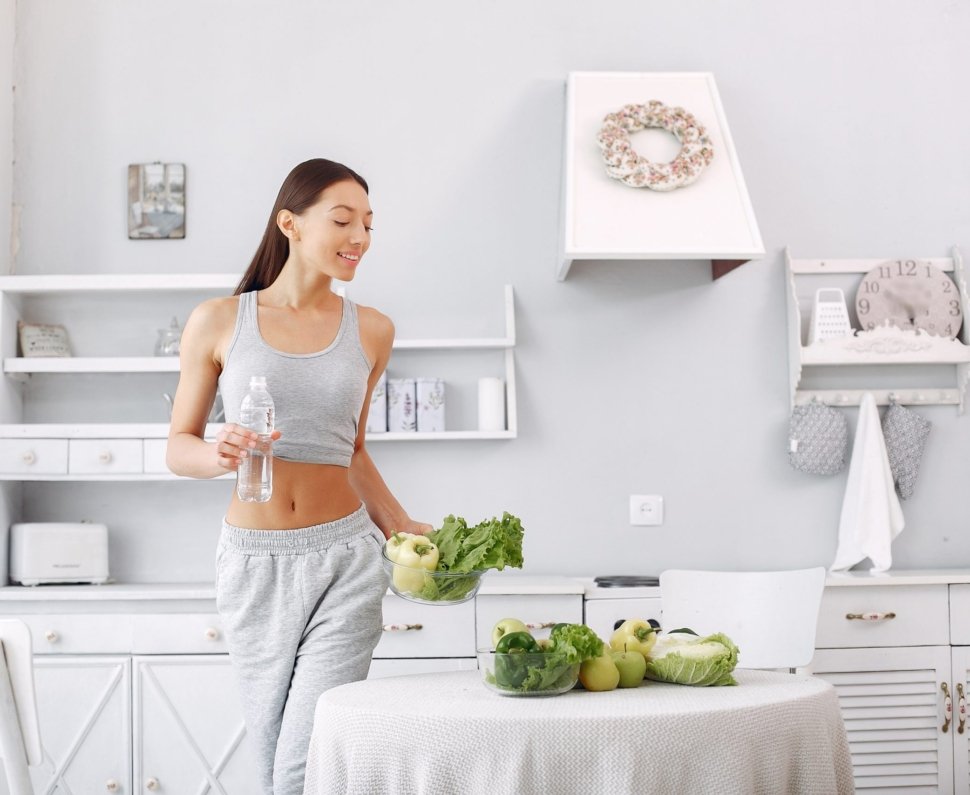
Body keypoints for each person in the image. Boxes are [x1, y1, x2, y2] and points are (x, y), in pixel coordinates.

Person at [166, 158, 432, 794]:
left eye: (368, 224)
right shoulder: (220, 320)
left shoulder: (372, 329)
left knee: (306, 759)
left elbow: (355, 451)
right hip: (254, 564)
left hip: (347, 559)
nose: (360, 238)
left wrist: (401, 527)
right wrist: (219, 451)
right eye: (343, 221)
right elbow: (179, 446)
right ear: (290, 223)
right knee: (270, 757)